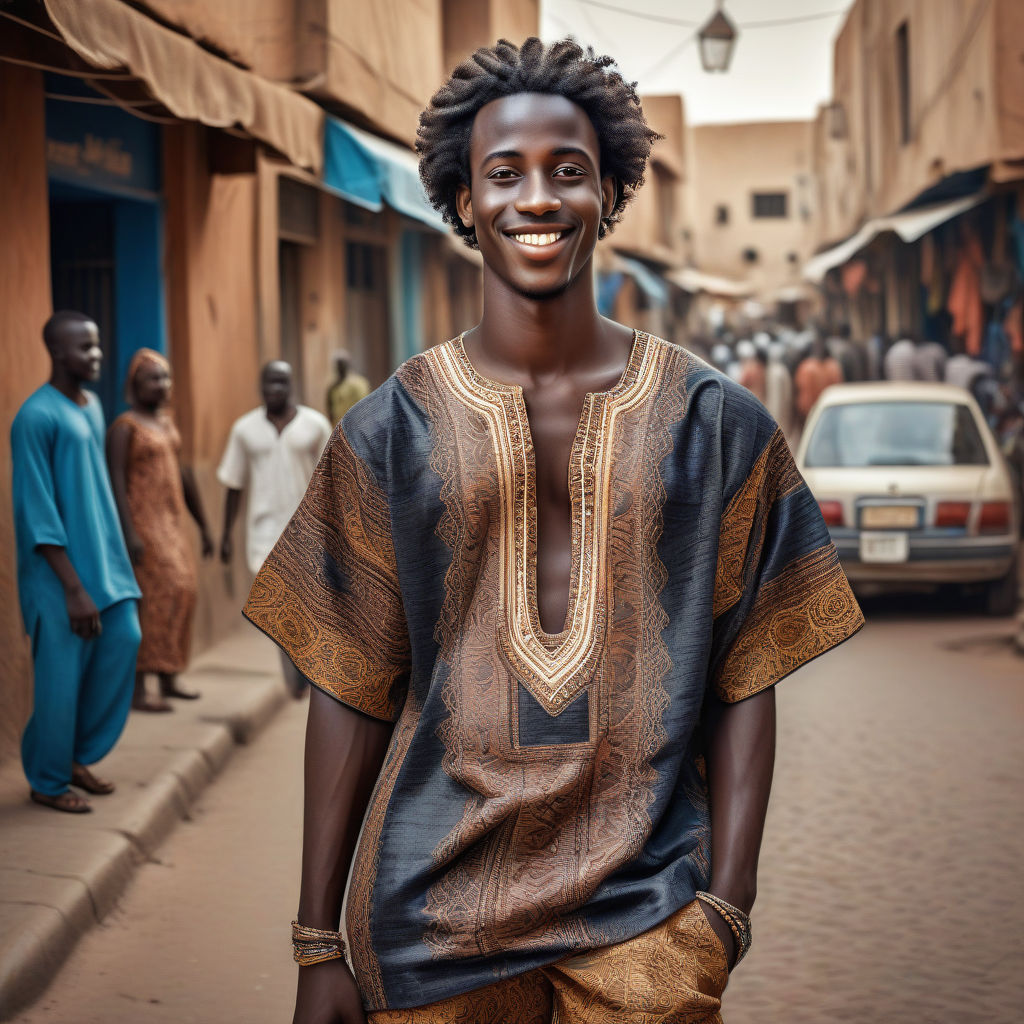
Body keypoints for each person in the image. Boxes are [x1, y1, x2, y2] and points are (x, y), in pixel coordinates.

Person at [245, 38, 864, 1024]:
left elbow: (748, 670)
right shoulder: (389, 431)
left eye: (567, 172)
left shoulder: (715, 423)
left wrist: (726, 906)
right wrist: (316, 939)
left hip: (648, 913)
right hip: (427, 918)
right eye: (505, 173)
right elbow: (352, 686)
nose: (537, 197)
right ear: (460, 199)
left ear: (610, 189)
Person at [11, 311, 141, 813]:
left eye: (96, 345)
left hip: (102, 566)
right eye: (85, 348)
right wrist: (71, 586)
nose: (96, 355)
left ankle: (73, 757)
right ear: (57, 353)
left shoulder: (91, 407)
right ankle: (47, 779)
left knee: (124, 639)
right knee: (60, 679)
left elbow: (97, 494)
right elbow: (36, 510)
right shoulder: (34, 416)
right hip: (57, 576)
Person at [107, 349, 213, 713]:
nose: (162, 384)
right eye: (153, 378)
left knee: (183, 592)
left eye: (165, 377)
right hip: (142, 524)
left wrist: (204, 524)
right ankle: (139, 688)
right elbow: (116, 481)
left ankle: (169, 675)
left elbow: (184, 475)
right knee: (150, 601)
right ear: (135, 383)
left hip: (171, 523)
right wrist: (129, 532)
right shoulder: (125, 427)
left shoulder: (166, 424)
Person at [219, 360, 332, 697]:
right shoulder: (245, 429)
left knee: (308, 604)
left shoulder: (315, 424)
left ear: (291, 384)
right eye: (270, 383)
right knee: (280, 602)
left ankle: (303, 662)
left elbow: (333, 478)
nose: (275, 390)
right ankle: (292, 660)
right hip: (264, 533)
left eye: (282, 382)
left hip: (310, 530)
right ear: (261, 385)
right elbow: (233, 484)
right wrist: (225, 534)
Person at [327, 350, 371, 425]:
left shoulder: (359, 383)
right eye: (338, 365)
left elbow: (365, 407)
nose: (340, 367)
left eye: (342, 364)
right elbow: (330, 410)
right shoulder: (333, 387)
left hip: (357, 426)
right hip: (339, 427)